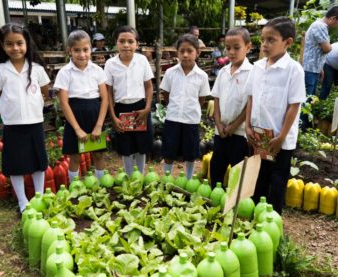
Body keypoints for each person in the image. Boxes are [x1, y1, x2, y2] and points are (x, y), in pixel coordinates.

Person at [244, 17, 306, 214]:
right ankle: (254, 218)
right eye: (263, 39)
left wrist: (281, 137)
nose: (265, 45)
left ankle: (272, 221)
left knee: (276, 182)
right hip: (259, 135)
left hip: (279, 139)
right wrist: (247, 126)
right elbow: (251, 98)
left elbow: (293, 106)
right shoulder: (257, 67)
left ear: (288, 42)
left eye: (271, 40)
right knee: (258, 178)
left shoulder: (293, 70)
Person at [0, 23, 50, 213]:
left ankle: (39, 197)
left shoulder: (37, 68)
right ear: (2, 45)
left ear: (27, 44)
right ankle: (23, 201)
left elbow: (45, 91)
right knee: (16, 164)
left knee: (39, 162)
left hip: (35, 122)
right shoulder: (0, 70)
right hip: (13, 124)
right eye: (9, 44)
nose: (15, 48)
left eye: (19, 43)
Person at [54, 30, 109, 182]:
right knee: (75, 156)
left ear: (90, 49)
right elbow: (64, 102)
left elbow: (104, 99)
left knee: (98, 154)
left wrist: (99, 126)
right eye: (77, 50)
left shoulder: (97, 70)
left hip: (95, 115)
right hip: (74, 117)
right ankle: (75, 188)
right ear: (69, 51)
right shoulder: (64, 73)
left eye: (85, 50)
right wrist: (77, 129)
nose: (82, 54)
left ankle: (101, 185)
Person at [104, 26, 154, 176]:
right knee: (125, 146)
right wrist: (113, 117)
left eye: (130, 41)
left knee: (141, 145)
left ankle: (141, 175)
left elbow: (149, 86)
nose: (126, 45)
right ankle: (129, 176)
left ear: (137, 44)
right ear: (116, 43)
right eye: (122, 41)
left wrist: (147, 109)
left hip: (140, 109)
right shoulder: (110, 64)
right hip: (121, 109)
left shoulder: (142, 61)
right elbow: (108, 93)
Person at [160, 34, 210, 179]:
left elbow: (201, 98)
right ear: (177, 52)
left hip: (191, 120)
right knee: (169, 152)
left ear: (197, 52)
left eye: (190, 51)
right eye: (182, 51)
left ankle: (188, 179)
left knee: (190, 153)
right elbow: (166, 93)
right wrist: (173, 107)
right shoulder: (170, 73)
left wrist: (192, 109)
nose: (185, 55)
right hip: (173, 118)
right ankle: (167, 177)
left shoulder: (202, 76)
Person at [209, 27, 252, 189]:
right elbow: (217, 98)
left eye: (236, 47)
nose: (231, 52)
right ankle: (215, 199)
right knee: (216, 167)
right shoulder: (223, 72)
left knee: (237, 170)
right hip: (221, 131)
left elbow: (250, 103)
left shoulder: (252, 72)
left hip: (239, 133)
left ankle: (235, 204)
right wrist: (218, 123)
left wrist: (234, 126)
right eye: (228, 48)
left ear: (248, 47)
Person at [303, 5, 338, 96]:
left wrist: (320, 68)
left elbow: (319, 50)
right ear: (333, 18)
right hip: (309, 69)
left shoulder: (320, 26)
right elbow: (326, 48)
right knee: (306, 100)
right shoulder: (320, 26)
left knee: (310, 98)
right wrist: (330, 46)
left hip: (313, 68)